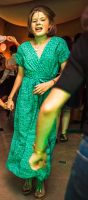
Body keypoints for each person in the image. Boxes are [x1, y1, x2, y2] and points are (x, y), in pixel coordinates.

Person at [6, 5, 70, 199]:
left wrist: (50, 83)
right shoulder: (24, 48)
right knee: (25, 136)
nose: (38, 23)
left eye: (42, 19)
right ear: (30, 25)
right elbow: (20, 76)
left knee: (43, 138)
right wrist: (10, 97)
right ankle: (27, 175)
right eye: (34, 20)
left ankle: (40, 178)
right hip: (26, 97)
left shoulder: (58, 44)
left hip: (48, 97)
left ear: (50, 24)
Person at [29, 5, 88, 200]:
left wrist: (38, 151)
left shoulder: (81, 45)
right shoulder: (25, 48)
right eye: (34, 20)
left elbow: (49, 108)